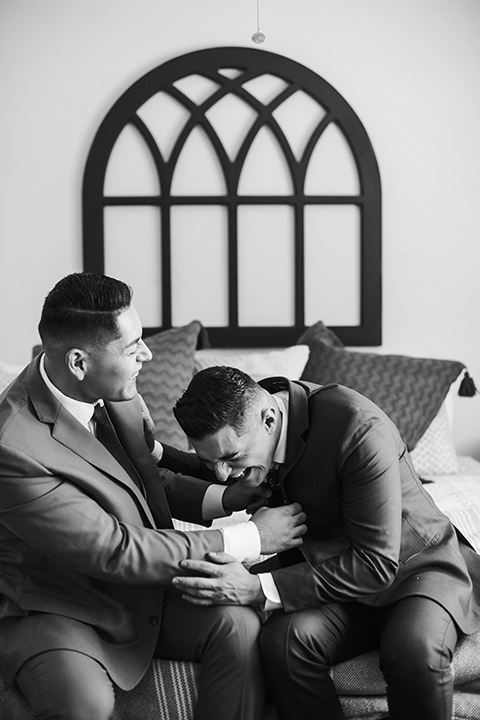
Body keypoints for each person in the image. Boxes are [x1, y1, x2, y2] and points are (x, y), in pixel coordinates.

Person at [0, 273, 307, 720]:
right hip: (58, 606)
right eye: (133, 347)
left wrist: (225, 498)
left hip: (145, 589)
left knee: (238, 622)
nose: (146, 354)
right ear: (79, 363)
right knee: (85, 704)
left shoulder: (115, 389)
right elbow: (115, 549)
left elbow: (142, 480)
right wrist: (250, 538)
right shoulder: (13, 447)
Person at [168, 366, 480, 720]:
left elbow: (375, 564)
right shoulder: (257, 423)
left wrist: (257, 587)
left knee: (414, 651)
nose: (223, 475)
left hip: (413, 571)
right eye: (214, 462)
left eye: (231, 459)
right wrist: (156, 452)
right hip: (333, 577)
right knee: (285, 641)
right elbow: (209, 464)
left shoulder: (356, 426)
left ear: (269, 420)